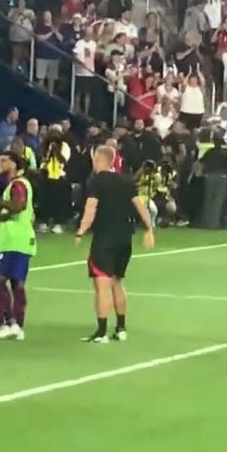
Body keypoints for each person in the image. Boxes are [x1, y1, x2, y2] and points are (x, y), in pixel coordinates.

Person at [74, 145, 154, 344]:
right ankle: (121, 328)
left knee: (101, 285)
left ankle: (101, 332)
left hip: (105, 239)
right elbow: (140, 206)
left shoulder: (96, 182)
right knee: (117, 282)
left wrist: (81, 230)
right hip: (124, 239)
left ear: (99, 160)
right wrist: (149, 229)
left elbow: (91, 208)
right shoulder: (126, 181)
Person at [0, 150, 37, 340]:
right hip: (16, 239)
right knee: (15, 282)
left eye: (5, 160)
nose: (0, 163)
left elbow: (19, 206)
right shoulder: (15, 184)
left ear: (15, 164)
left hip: (16, 240)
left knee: (0, 280)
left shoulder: (18, 184)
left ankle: (12, 322)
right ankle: (15, 323)